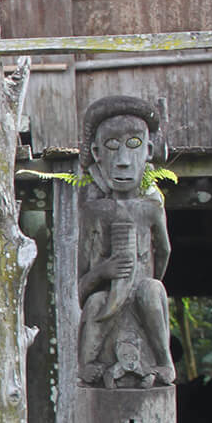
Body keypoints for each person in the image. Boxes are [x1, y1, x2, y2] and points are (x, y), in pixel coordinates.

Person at [77, 95, 173, 388]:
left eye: (132, 145)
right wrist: (106, 271)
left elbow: (165, 251)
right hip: (109, 303)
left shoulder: (151, 209)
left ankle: (164, 360)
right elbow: (81, 286)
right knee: (95, 302)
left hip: (141, 300)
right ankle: (88, 364)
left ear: (149, 150)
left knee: (152, 289)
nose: (121, 161)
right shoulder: (94, 211)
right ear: (96, 153)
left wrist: (145, 282)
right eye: (111, 147)